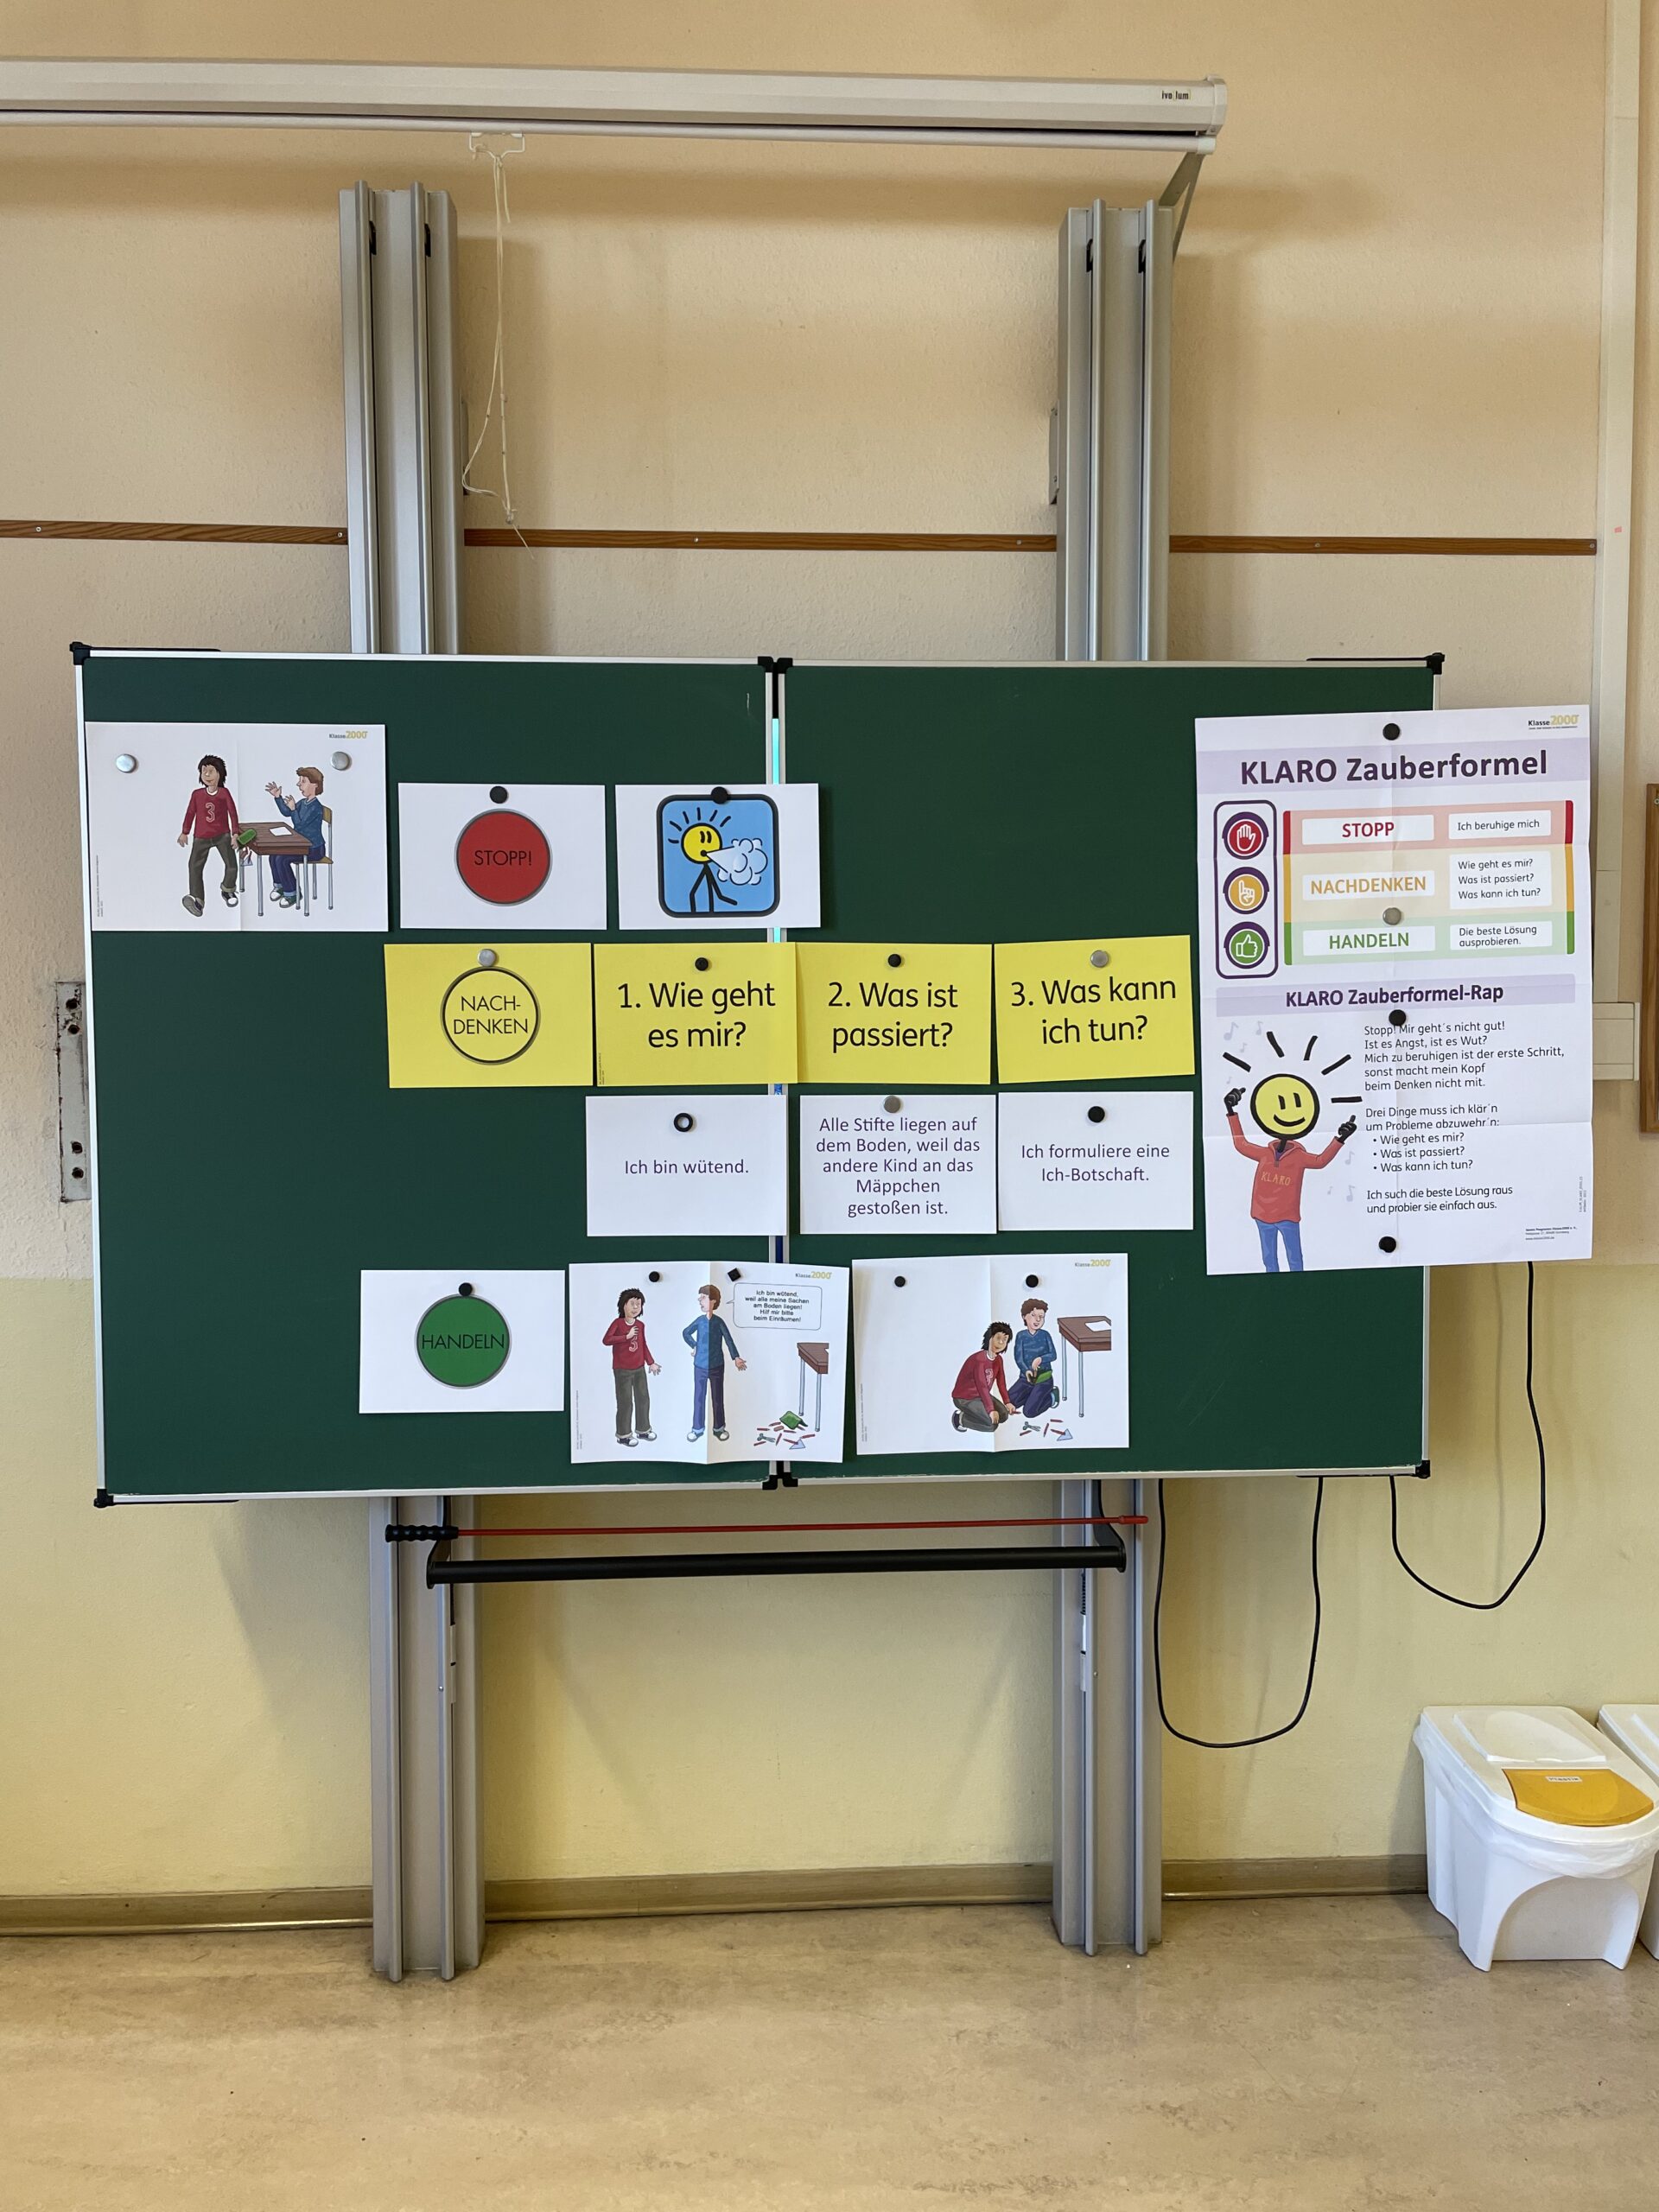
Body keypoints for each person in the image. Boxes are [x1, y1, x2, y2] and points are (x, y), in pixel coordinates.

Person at [1224, 1083, 1357, 1273]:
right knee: (1269, 1259)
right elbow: (1241, 1144)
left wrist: (1340, 1138)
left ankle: (1298, 1286)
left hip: (1287, 1217)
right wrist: (1231, 1111)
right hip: (1262, 1216)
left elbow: (1321, 1161)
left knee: (1295, 1259)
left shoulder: (1299, 1157)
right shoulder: (1265, 1154)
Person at [177, 753, 240, 917]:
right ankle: (197, 900)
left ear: (220, 774)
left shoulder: (224, 793)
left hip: (222, 835)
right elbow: (190, 813)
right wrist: (185, 832)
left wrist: (235, 834)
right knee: (194, 866)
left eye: (211, 771)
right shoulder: (197, 794)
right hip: (201, 836)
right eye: (204, 771)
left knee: (232, 865)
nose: (207, 775)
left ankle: (228, 890)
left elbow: (233, 813)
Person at [683, 1283, 746, 1442]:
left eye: (703, 1298)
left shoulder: (719, 1322)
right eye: (700, 1298)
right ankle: (697, 1429)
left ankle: (719, 1428)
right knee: (699, 1398)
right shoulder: (699, 1321)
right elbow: (686, 1333)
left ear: (713, 1301)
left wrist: (736, 1357)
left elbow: (729, 1340)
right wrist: (694, 1345)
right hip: (700, 1366)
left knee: (718, 1399)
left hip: (717, 1366)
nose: (700, 1301)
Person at [602, 1288, 660, 1447]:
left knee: (643, 1399)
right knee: (625, 1402)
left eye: (639, 1304)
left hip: (639, 1368)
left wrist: (651, 1362)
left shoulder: (640, 1325)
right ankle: (624, 1435)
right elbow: (606, 1340)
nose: (635, 1307)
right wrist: (625, 1337)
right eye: (632, 1304)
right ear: (624, 1305)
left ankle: (643, 1430)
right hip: (622, 1370)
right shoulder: (617, 1323)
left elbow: (643, 1345)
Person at [264, 766, 327, 910]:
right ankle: (280, 886)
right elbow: (287, 812)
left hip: (314, 849)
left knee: (282, 859)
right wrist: (278, 797)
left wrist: (293, 809)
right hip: (301, 845)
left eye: (303, 781)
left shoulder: (316, 807)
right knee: (273, 855)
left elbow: (300, 825)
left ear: (315, 785)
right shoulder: (303, 803)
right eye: (300, 781)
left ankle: (292, 893)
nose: (299, 784)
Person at [1008, 1298, 1070, 1440]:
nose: (1037, 1320)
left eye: (1041, 1317)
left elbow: (1053, 1355)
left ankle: (1052, 1397)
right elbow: (1019, 1358)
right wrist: (1026, 1370)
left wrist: (1041, 1359)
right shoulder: (1021, 1336)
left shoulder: (1045, 1335)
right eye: (1033, 1315)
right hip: (1025, 1379)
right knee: (1008, 1402)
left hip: (1043, 1379)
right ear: (1024, 1317)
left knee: (1029, 1412)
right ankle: (1032, 1396)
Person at [951, 1323, 1014, 1435]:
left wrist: (1007, 1402)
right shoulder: (979, 1360)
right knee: (991, 1425)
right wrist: (991, 1410)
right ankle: (960, 1418)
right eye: (998, 1338)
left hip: (980, 1396)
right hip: (964, 1398)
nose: (1001, 1342)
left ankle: (975, 1413)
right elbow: (982, 1387)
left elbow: (1001, 1383)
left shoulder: (998, 1360)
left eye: (1005, 1340)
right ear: (990, 1338)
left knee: (1004, 1415)